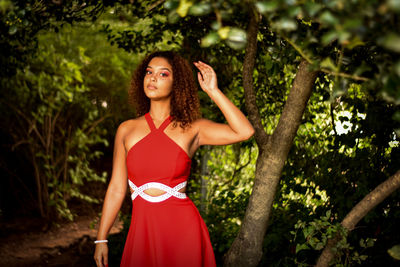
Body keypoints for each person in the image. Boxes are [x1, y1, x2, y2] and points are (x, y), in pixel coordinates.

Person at [94, 51, 254, 267]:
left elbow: (244, 132)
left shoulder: (193, 128)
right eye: (149, 72)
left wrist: (213, 91)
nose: (152, 78)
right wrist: (101, 237)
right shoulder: (126, 129)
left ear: (176, 83)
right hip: (143, 233)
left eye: (163, 74)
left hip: (183, 232)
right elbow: (116, 188)